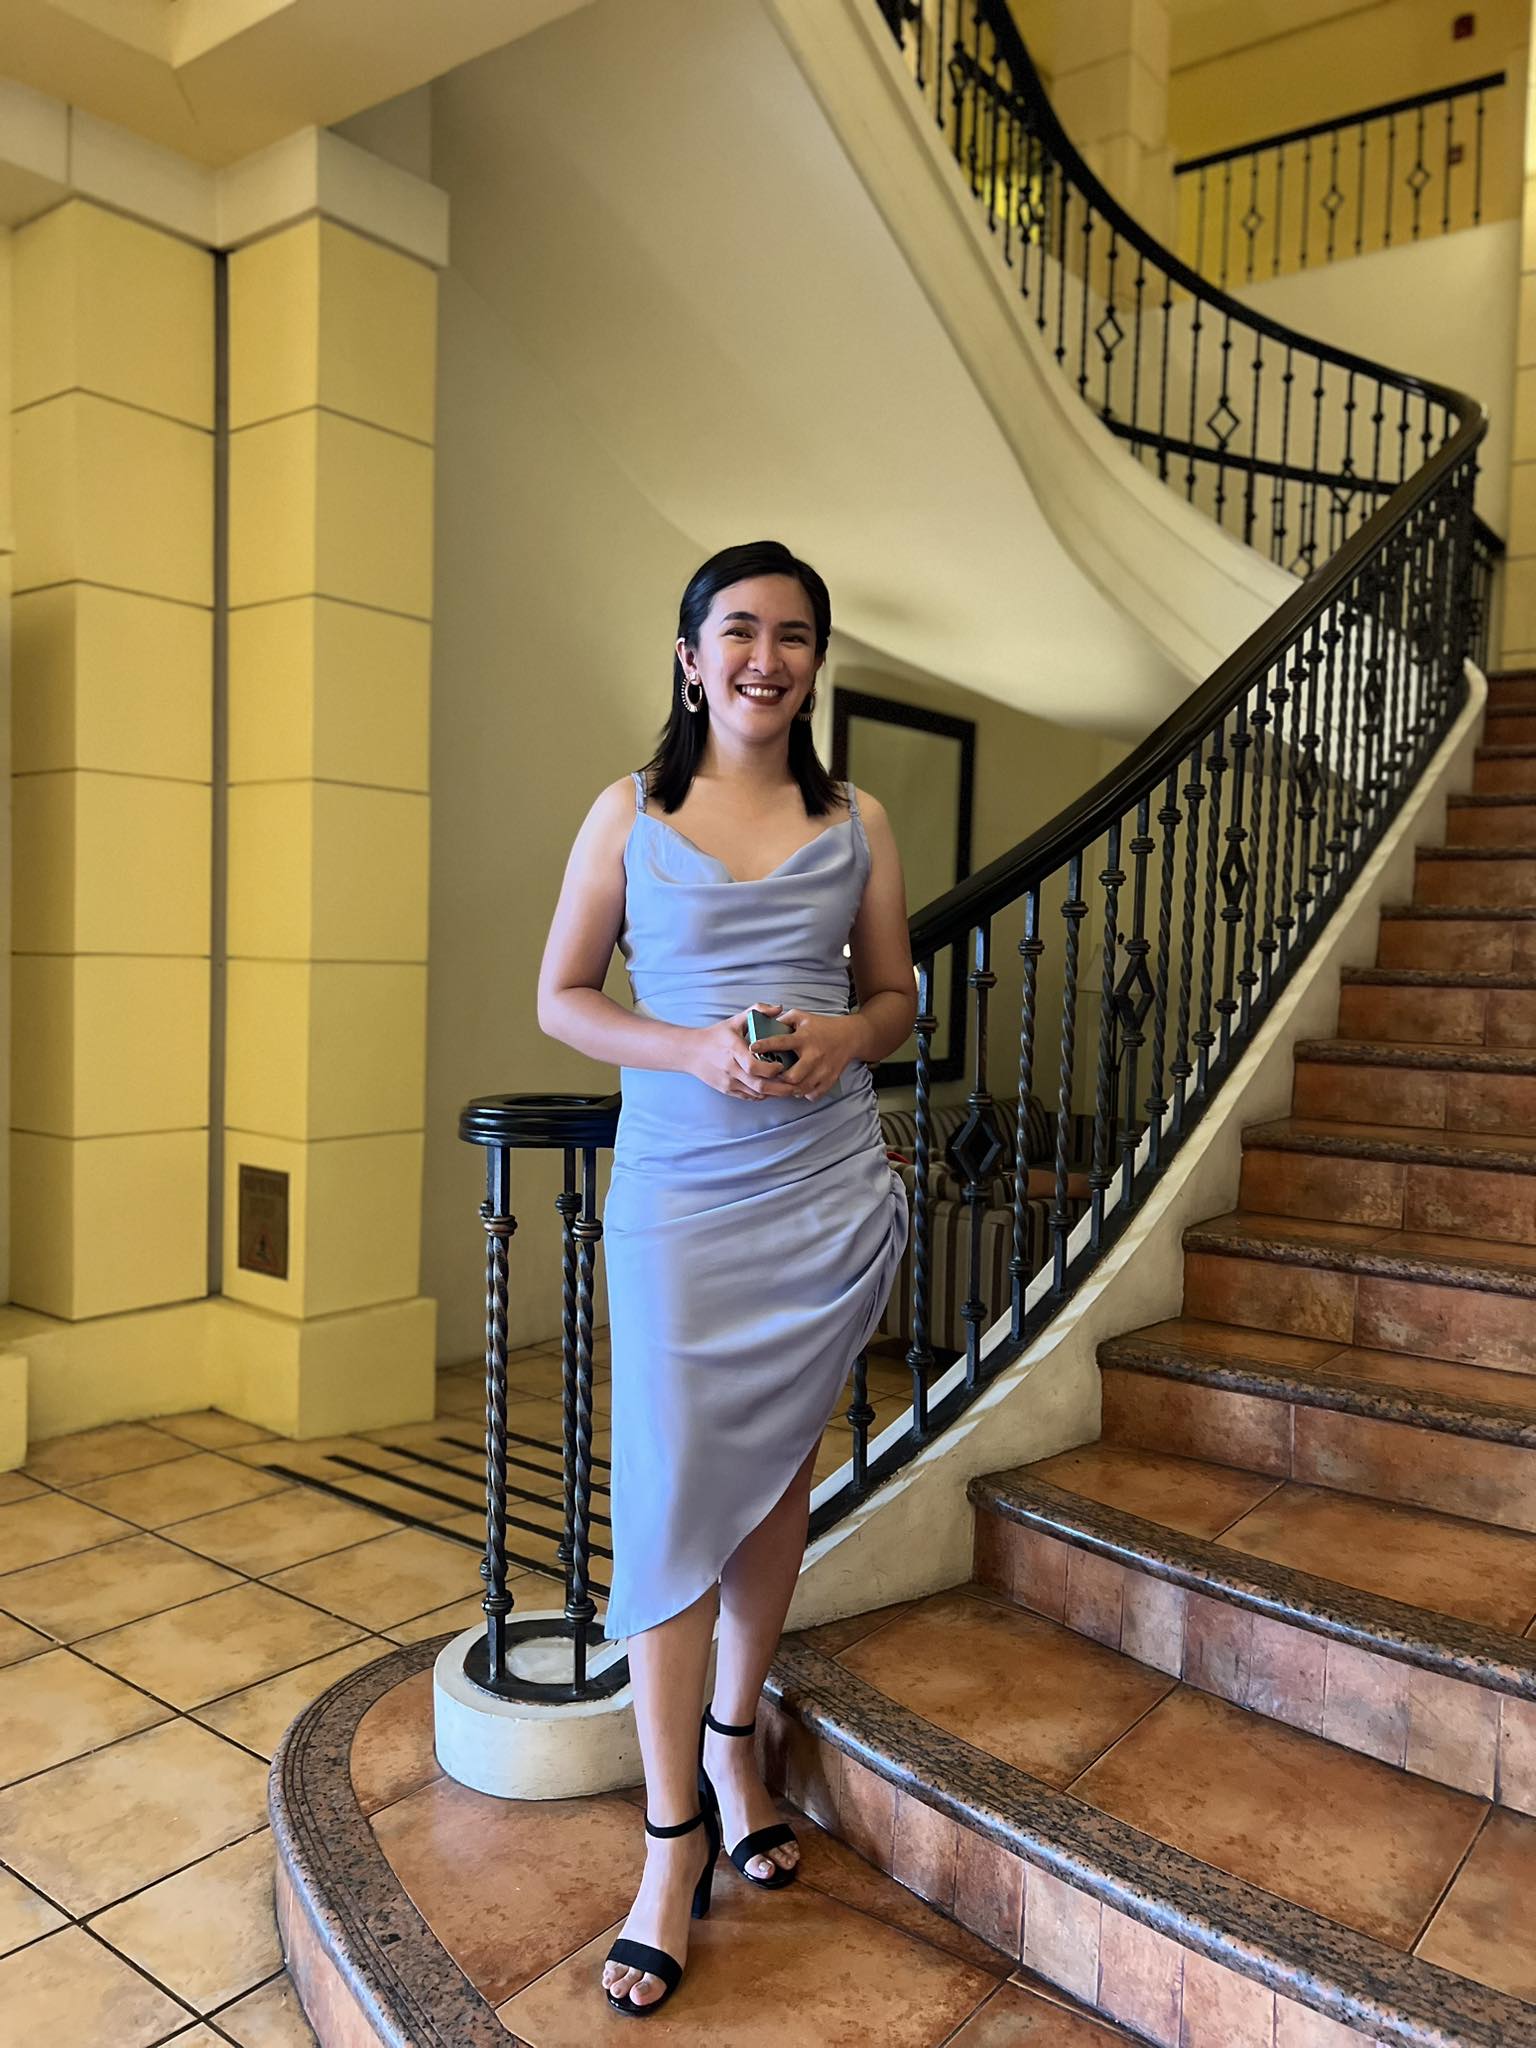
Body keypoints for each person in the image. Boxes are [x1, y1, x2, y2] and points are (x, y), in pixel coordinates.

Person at [535, 538, 915, 2015]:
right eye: (740, 631)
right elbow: (563, 997)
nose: (768, 657)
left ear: (817, 663)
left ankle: (737, 1746)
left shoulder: (858, 819)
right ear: (690, 657)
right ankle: (667, 1841)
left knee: (771, 1487)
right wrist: (691, 1046)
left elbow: (894, 997)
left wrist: (847, 1036)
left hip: (821, 1189)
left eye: (795, 635)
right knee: (669, 1498)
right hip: (682, 1200)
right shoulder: (628, 812)